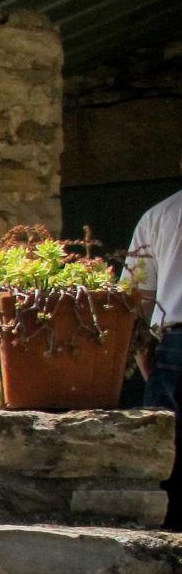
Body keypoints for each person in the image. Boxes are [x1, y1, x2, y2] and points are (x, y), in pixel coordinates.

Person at [127, 179, 182, 530]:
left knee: (171, 462)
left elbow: (134, 304)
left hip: (175, 347)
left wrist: (147, 358)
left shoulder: (159, 216)